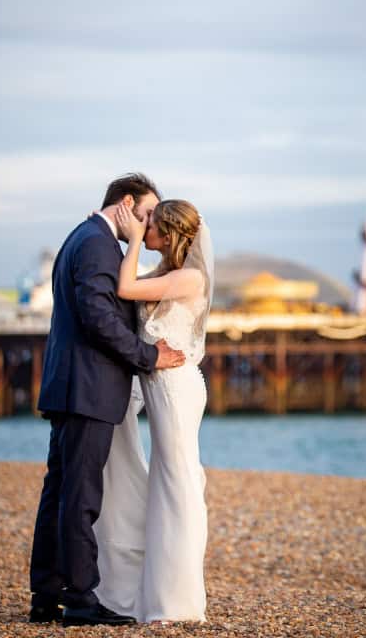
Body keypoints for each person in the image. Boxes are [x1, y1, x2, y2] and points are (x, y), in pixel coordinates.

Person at [29, 173, 186, 627]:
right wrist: (149, 356)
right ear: (127, 202)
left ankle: (47, 595)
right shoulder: (97, 243)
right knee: (80, 497)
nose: (148, 224)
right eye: (146, 215)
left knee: (59, 492)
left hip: (70, 384)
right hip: (88, 388)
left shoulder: (84, 235)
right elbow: (99, 318)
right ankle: (79, 600)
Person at [93, 197, 213, 623]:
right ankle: (159, 588)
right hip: (161, 386)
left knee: (177, 480)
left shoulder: (190, 278)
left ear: (171, 233)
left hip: (177, 388)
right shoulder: (166, 273)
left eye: (153, 226)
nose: (147, 228)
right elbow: (125, 292)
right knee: (168, 479)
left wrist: (132, 241)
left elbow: (126, 289)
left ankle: (179, 599)